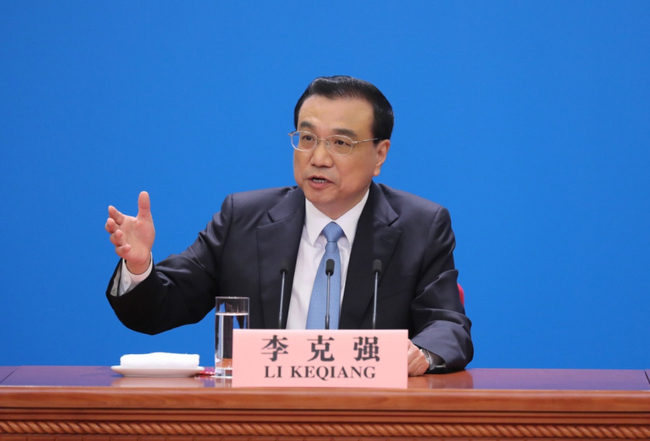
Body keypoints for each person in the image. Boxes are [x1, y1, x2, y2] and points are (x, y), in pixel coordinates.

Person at [105, 76, 473, 375]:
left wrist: (422, 353)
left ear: (380, 154)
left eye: (340, 142)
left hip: (371, 420)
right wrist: (139, 268)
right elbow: (160, 309)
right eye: (307, 138)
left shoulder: (420, 226)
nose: (319, 157)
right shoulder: (243, 219)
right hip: (262, 421)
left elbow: (448, 326)